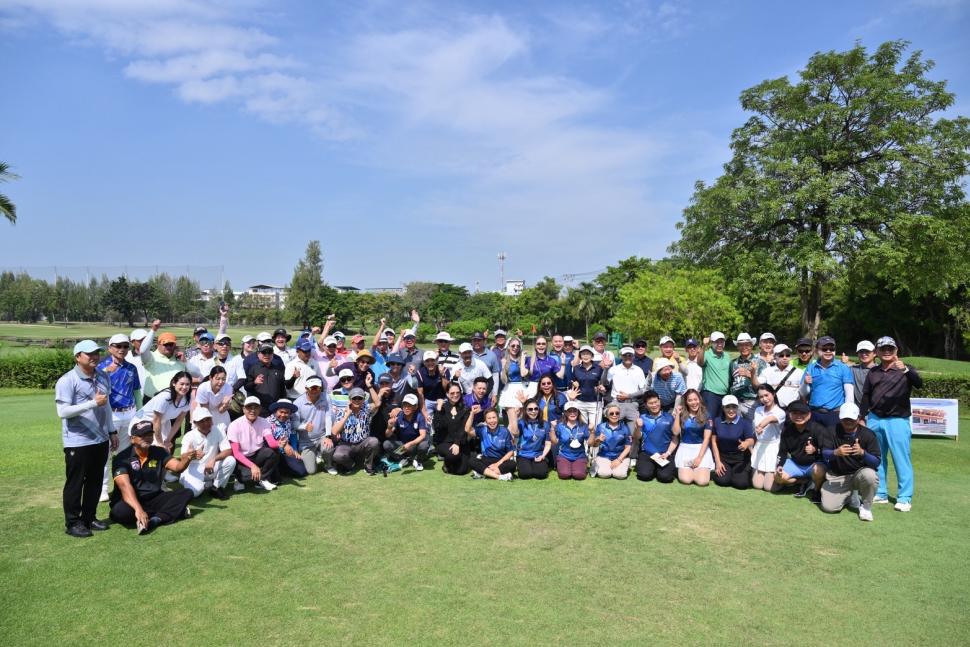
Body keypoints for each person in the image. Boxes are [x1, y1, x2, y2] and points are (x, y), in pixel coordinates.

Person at [55, 339, 117, 538]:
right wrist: (92, 403)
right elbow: (63, 412)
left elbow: (106, 405)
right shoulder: (67, 380)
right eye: (89, 354)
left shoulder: (103, 376)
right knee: (75, 483)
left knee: (95, 481)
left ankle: (89, 517)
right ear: (77, 357)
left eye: (96, 353)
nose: (94, 357)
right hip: (77, 440)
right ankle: (73, 523)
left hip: (100, 439)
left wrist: (112, 431)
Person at [860, 336, 923, 512]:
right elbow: (866, 396)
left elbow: (919, 384)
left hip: (898, 420)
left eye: (890, 348)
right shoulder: (873, 372)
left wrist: (906, 370)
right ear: (877, 352)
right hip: (875, 419)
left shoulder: (905, 368)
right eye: (883, 349)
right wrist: (861, 416)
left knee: (901, 459)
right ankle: (881, 492)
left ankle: (904, 497)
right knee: (877, 458)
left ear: (896, 350)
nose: (887, 351)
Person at [110, 420, 199, 534]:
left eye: (149, 434)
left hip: (154, 498)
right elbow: (124, 486)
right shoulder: (121, 458)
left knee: (187, 493)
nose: (147, 438)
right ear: (132, 439)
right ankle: (170, 512)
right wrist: (138, 509)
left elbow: (178, 468)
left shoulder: (159, 452)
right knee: (119, 512)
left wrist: (187, 459)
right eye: (142, 435)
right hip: (130, 501)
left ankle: (156, 520)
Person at [97, 333, 141, 502]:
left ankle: (122, 486)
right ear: (110, 348)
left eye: (125, 346)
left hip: (129, 413)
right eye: (118, 346)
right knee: (106, 453)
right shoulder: (101, 367)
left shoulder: (131, 368)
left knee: (124, 454)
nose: (122, 349)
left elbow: (136, 391)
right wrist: (105, 373)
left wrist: (139, 413)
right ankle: (102, 489)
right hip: (111, 414)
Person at [819, 402, 882, 521]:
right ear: (840, 418)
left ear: (858, 418)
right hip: (838, 476)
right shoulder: (830, 431)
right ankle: (851, 495)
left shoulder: (868, 434)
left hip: (859, 474)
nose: (848, 421)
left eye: (851, 419)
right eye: (845, 419)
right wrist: (835, 452)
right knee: (829, 507)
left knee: (870, 476)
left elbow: (876, 461)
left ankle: (866, 507)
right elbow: (824, 453)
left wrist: (863, 453)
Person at [178, 408, 236, 499]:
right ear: (195, 423)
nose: (206, 423)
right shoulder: (189, 436)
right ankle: (185, 479)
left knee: (230, 460)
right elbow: (182, 457)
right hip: (194, 468)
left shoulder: (218, 430)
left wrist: (214, 459)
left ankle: (216, 487)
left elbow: (228, 450)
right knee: (195, 493)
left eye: (208, 419)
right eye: (202, 421)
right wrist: (193, 454)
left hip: (211, 466)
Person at [774, 401, 826, 501]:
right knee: (777, 477)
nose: (798, 416)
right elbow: (782, 451)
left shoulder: (818, 429)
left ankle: (817, 490)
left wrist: (815, 450)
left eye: (802, 413)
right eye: (795, 413)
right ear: (790, 415)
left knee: (818, 470)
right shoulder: (787, 430)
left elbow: (827, 451)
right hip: (796, 464)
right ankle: (803, 482)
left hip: (814, 464)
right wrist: (779, 466)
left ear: (809, 415)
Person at [227, 396, 281, 491]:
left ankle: (262, 479)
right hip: (240, 458)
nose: (252, 410)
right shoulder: (234, 425)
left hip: (256, 455)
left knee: (273, 453)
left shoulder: (264, 422)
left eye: (256, 407)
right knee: (246, 477)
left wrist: (280, 444)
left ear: (260, 409)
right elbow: (236, 453)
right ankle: (239, 479)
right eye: (249, 407)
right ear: (244, 409)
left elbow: (271, 443)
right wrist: (252, 466)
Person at [799, 335, 854, 430]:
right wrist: (805, 383)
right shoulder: (811, 367)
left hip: (835, 413)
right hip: (814, 413)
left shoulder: (843, 367)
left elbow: (849, 393)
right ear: (817, 350)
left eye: (831, 349)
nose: (828, 351)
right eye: (824, 349)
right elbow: (803, 393)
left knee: (833, 439)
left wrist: (847, 413)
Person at [129, 371, 192, 452]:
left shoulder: (187, 399)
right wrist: (160, 443)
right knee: (150, 451)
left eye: (187, 384)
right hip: (143, 422)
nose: (184, 387)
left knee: (165, 451)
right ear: (174, 383)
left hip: (162, 423)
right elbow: (156, 420)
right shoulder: (165, 397)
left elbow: (179, 421)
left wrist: (168, 440)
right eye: (182, 384)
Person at [331, 387, 381, 475]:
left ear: (363, 400)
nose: (357, 400)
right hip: (346, 444)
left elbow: (377, 403)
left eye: (360, 398)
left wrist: (369, 386)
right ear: (350, 400)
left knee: (374, 441)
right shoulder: (343, 412)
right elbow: (334, 432)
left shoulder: (366, 409)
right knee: (337, 456)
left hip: (362, 443)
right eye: (354, 398)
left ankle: (368, 466)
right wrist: (347, 415)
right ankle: (351, 464)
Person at [710, 395, 755, 489]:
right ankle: (726, 473)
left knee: (740, 484)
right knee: (723, 481)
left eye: (734, 407)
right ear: (723, 408)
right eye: (728, 407)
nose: (731, 410)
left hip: (741, 459)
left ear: (737, 408)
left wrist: (746, 443)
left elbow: (751, 440)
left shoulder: (745, 423)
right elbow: (714, 442)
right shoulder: (717, 421)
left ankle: (742, 474)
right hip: (724, 458)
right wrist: (717, 462)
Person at [293, 376, 336, 475]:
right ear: (306, 389)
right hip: (306, 442)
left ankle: (328, 465)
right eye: (312, 388)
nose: (315, 390)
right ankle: (316, 455)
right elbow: (294, 424)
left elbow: (328, 416)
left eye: (318, 387)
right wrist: (304, 427)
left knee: (328, 447)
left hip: (321, 436)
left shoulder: (326, 397)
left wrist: (328, 436)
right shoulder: (297, 403)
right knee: (311, 471)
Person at [634, 391, 678, 483]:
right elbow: (637, 437)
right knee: (644, 475)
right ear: (646, 405)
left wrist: (668, 453)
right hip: (647, 453)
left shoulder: (669, 418)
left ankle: (657, 469)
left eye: (656, 402)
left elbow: (675, 438)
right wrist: (638, 427)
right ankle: (651, 468)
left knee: (665, 477)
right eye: (651, 403)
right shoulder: (642, 418)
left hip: (664, 454)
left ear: (659, 401)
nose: (654, 405)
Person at [138, 321, 187, 402]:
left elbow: (196, 373)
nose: (168, 347)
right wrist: (153, 330)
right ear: (158, 344)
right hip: (153, 400)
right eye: (165, 344)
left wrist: (186, 362)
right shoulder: (151, 357)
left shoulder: (180, 359)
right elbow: (143, 351)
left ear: (175, 345)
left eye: (171, 344)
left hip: (175, 401)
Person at [673, 389, 713, 486]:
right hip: (685, 449)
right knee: (686, 480)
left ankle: (698, 470)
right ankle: (690, 471)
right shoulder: (682, 414)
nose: (693, 403)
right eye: (690, 400)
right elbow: (675, 432)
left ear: (699, 399)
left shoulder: (707, 415)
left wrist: (699, 458)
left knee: (702, 481)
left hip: (701, 450)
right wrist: (677, 415)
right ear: (686, 402)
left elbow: (707, 438)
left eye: (695, 399)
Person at [751, 384, 786, 492]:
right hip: (760, 446)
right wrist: (758, 430)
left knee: (769, 487)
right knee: (757, 485)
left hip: (773, 448)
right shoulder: (758, 409)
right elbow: (755, 427)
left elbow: (770, 419)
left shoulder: (780, 412)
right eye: (761, 397)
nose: (764, 399)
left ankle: (789, 481)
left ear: (773, 394)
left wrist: (760, 426)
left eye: (767, 395)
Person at [433, 383, 472, 475]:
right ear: (447, 394)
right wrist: (438, 409)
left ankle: (454, 462)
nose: (455, 395)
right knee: (453, 455)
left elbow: (464, 428)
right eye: (452, 393)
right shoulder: (442, 407)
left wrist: (457, 443)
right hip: (444, 441)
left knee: (462, 471)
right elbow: (437, 426)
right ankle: (447, 464)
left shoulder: (465, 408)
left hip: (461, 441)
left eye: (457, 392)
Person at [604, 346, 647, 428]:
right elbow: (605, 383)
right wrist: (606, 369)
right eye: (625, 355)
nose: (628, 357)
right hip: (616, 404)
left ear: (633, 356)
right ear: (621, 356)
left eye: (630, 355)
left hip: (632, 404)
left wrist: (629, 396)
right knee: (614, 431)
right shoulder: (614, 369)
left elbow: (643, 390)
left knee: (634, 431)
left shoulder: (638, 370)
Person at [245, 343, 294, 416]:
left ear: (273, 354)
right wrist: (254, 383)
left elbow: (282, 389)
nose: (267, 355)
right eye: (264, 352)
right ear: (258, 354)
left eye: (269, 352)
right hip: (259, 409)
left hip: (275, 409)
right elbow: (246, 387)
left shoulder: (278, 369)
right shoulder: (253, 368)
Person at [384, 393, 430, 470]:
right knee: (386, 444)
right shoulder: (399, 416)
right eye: (405, 405)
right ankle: (404, 459)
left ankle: (418, 460)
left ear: (415, 407)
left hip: (415, 446)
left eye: (409, 405)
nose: (406, 408)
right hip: (403, 446)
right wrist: (389, 427)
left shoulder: (420, 416)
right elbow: (388, 435)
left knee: (424, 445)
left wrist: (410, 444)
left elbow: (423, 435)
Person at [467, 408, 516, 481]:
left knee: (512, 464)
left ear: (497, 418)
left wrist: (497, 464)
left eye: (494, 417)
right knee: (472, 461)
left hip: (501, 460)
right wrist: (472, 414)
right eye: (489, 418)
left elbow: (511, 451)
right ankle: (500, 477)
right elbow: (467, 430)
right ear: (485, 420)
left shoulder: (505, 431)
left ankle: (483, 473)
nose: (492, 421)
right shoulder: (482, 430)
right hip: (486, 459)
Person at [508, 398, 551, 479]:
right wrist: (515, 417)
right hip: (523, 454)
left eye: (536, 409)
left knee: (541, 475)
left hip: (538, 454)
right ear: (526, 411)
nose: (533, 411)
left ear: (539, 410)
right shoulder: (521, 422)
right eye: (530, 409)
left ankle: (540, 464)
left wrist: (543, 456)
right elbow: (515, 433)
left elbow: (548, 443)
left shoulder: (545, 424)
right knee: (525, 474)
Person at [729, 332, 765, 420]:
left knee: (753, 426)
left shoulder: (760, 362)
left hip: (752, 401)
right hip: (736, 402)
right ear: (737, 347)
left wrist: (749, 374)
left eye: (747, 345)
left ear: (751, 346)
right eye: (741, 345)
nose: (744, 347)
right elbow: (730, 382)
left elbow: (763, 386)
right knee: (736, 427)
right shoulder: (733, 363)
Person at [591, 403, 632, 479]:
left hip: (620, 456)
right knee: (604, 474)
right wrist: (598, 440)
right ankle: (597, 463)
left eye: (617, 413)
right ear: (606, 415)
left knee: (620, 475)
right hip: (604, 456)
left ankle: (622, 465)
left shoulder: (625, 427)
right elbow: (594, 445)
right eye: (611, 413)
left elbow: (628, 447)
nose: (614, 415)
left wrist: (619, 460)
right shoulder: (600, 427)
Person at [267, 399, 306, 478]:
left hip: (285, 451)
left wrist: (294, 450)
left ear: (290, 413)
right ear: (275, 411)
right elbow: (268, 441)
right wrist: (284, 446)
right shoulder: (267, 422)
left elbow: (293, 434)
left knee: (301, 471)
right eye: (281, 412)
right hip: (272, 452)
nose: (283, 415)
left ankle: (283, 468)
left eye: (286, 412)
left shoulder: (288, 421)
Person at [570, 344, 604, 430]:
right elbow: (572, 382)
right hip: (580, 401)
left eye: (588, 354)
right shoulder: (576, 368)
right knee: (582, 428)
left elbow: (603, 383)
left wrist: (601, 388)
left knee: (594, 428)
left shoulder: (599, 368)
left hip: (595, 402)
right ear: (580, 356)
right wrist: (574, 384)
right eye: (583, 354)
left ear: (592, 356)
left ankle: (593, 439)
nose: (585, 356)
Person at [552, 401, 589, 480]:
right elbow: (554, 442)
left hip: (579, 456)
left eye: (574, 410)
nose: (572, 413)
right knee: (564, 475)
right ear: (565, 413)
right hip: (564, 455)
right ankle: (564, 465)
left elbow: (591, 443)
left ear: (578, 412)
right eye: (569, 411)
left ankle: (579, 465)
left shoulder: (584, 426)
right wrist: (552, 428)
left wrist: (592, 432)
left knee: (579, 475)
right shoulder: (560, 426)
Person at [757, 344, 803, 408]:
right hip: (774, 409)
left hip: (793, 410)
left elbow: (803, 393)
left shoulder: (799, 372)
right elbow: (758, 385)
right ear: (775, 356)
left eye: (787, 355)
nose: (785, 358)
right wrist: (753, 374)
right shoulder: (767, 372)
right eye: (781, 355)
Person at [698, 331, 731, 420]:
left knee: (721, 421)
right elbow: (700, 362)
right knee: (710, 421)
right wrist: (704, 346)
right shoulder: (707, 354)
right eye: (717, 342)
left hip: (724, 394)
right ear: (712, 343)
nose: (719, 344)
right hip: (710, 394)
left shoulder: (726, 356)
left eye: (722, 342)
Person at [195, 365, 234, 434]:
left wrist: (225, 404)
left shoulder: (228, 388)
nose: (221, 382)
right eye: (218, 379)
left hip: (220, 413)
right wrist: (210, 425)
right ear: (210, 378)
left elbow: (221, 410)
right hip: (204, 411)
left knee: (223, 433)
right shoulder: (203, 388)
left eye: (223, 379)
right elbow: (205, 410)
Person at [499, 336, 534, 412]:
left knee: (523, 416)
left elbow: (525, 374)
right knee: (513, 417)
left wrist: (523, 360)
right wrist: (503, 368)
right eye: (513, 346)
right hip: (510, 389)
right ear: (508, 347)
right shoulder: (504, 360)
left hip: (523, 388)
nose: (515, 348)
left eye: (518, 346)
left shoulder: (524, 359)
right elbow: (503, 380)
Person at [417, 350, 449, 423]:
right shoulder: (420, 373)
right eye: (427, 361)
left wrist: (442, 375)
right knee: (427, 421)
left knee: (445, 421)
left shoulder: (444, 370)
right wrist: (425, 413)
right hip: (428, 400)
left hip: (443, 399)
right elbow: (420, 395)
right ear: (424, 363)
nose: (430, 363)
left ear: (436, 361)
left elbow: (447, 389)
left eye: (432, 360)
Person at [472, 331, 502, 398]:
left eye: (479, 340)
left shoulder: (492, 355)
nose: (476, 342)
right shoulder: (467, 354)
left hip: (487, 392)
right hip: (470, 392)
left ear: (484, 341)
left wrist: (494, 394)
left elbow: (495, 375)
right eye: (474, 340)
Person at [848, 340, 876, 406]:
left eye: (867, 351)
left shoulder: (880, 370)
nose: (864, 354)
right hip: (857, 409)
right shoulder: (852, 369)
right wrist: (843, 363)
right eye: (861, 351)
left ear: (874, 353)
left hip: (875, 409)